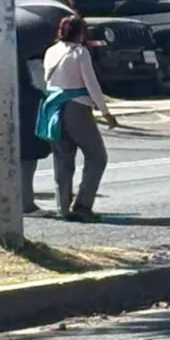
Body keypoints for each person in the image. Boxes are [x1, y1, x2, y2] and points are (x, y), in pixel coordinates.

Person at [37, 15, 117, 222]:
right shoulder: (80, 53)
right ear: (81, 32)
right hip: (78, 107)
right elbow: (91, 84)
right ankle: (83, 204)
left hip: (54, 106)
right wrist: (105, 112)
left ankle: (62, 207)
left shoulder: (50, 51)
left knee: (63, 159)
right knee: (97, 156)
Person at [19, 57, 54, 215]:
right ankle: (26, 203)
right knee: (27, 159)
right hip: (30, 110)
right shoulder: (31, 60)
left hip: (14, 108)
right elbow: (42, 85)